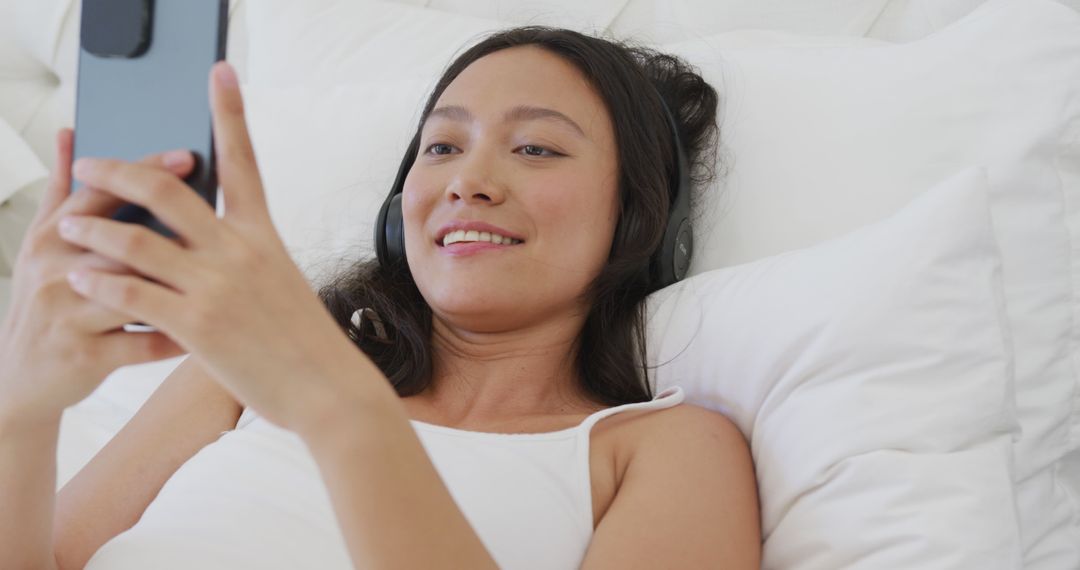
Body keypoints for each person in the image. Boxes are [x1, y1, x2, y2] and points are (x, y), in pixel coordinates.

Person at [0, 27, 760, 569]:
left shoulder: (668, 449)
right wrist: (22, 416)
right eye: (441, 147)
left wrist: (339, 407)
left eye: (536, 148)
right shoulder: (237, 376)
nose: (467, 180)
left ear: (637, 213)